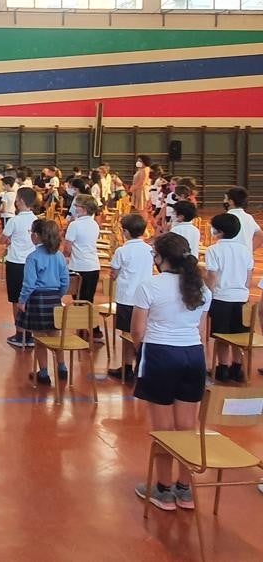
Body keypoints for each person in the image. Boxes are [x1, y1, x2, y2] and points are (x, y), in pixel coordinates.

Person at [132, 233, 211, 512]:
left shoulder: (149, 286)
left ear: (160, 258)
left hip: (160, 355)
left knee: (163, 429)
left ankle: (164, 490)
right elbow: (203, 332)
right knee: (186, 428)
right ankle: (185, 491)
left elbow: (138, 330)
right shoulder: (201, 288)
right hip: (193, 355)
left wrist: (141, 353)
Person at [17, 219, 70, 384]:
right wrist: (59, 295)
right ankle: (62, 367)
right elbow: (65, 281)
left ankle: (44, 373)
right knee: (56, 335)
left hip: (37, 298)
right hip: (54, 297)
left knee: (39, 339)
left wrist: (22, 300)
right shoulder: (60, 256)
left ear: (36, 236)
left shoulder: (33, 257)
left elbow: (29, 283)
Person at [204, 214, 253, 383]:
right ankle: (236, 367)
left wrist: (209, 293)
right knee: (239, 335)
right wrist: (243, 291)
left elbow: (212, 276)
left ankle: (222, 367)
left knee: (221, 335)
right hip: (241, 298)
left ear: (219, 231)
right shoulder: (245, 250)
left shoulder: (214, 250)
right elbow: (248, 275)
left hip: (221, 298)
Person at [106, 214, 152, 383]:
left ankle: (127, 368)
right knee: (141, 333)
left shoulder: (122, 250)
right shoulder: (149, 250)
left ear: (125, 232)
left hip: (126, 298)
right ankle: (141, 366)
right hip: (144, 298)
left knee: (127, 334)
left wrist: (114, 275)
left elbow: (114, 273)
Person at [63, 194, 103, 342]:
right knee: (88, 298)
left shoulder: (75, 225)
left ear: (84, 209)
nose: (75, 208)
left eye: (77, 206)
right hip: (93, 265)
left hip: (78, 266)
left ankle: (84, 327)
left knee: (78, 299)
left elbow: (67, 248)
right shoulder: (94, 224)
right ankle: (93, 329)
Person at [223, 186, 263, 251]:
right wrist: (249, 251)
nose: (224, 201)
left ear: (231, 202)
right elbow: (260, 235)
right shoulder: (249, 218)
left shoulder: (224, 218)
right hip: (246, 259)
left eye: (225, 198)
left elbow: (215, 234)